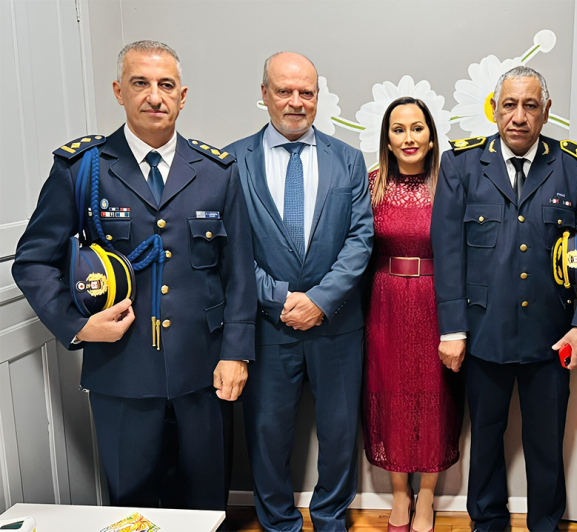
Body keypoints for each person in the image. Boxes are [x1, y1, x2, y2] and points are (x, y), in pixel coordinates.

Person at [12, 40, 256, 509]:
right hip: (120, 372)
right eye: (140, 83)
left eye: (166, 85)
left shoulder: (217, 172)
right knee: (132, 502)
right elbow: (33, 260)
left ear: (182, 96)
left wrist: (237, 354)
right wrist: (76, 325)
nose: (154, 96)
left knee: (206, 505)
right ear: (118, 91)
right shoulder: (83, 168)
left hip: (203, 370)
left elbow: (238, 272)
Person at [430, 66, 577, 532]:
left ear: (547, 111)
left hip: (554, 334)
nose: (519, 116)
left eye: (530, 105)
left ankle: (545, 524)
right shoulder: (462, 163)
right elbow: (448, 252)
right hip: (482, 332)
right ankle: (486, 523)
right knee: (487, 439)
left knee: (546, 443)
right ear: (495, 108)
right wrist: (452, 329)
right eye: (509, 105)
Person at [225, 52, 373, 532]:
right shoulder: (232, 161)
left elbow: (360, 239)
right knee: (267, 433)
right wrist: (279, 299)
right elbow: (230, 247)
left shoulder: (348, 160)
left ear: (318, 97)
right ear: (264, 94)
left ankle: (331, 517)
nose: (295, 101)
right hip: (267, 326)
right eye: (284, 91)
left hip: (337, 325)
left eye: (306, 92)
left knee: (339, 432)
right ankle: (279, 523)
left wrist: (320, 301)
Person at [361, 97, 463, 532]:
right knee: (391, 396)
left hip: (437, 300)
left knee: (434, 398)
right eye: (399, 129)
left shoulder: (449, 184)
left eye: (417, 128)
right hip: (383, 301)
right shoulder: (370, 184)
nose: (408, 138)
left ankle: (427, 499)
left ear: (431, 135)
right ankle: (400, 495)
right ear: (387, 137)